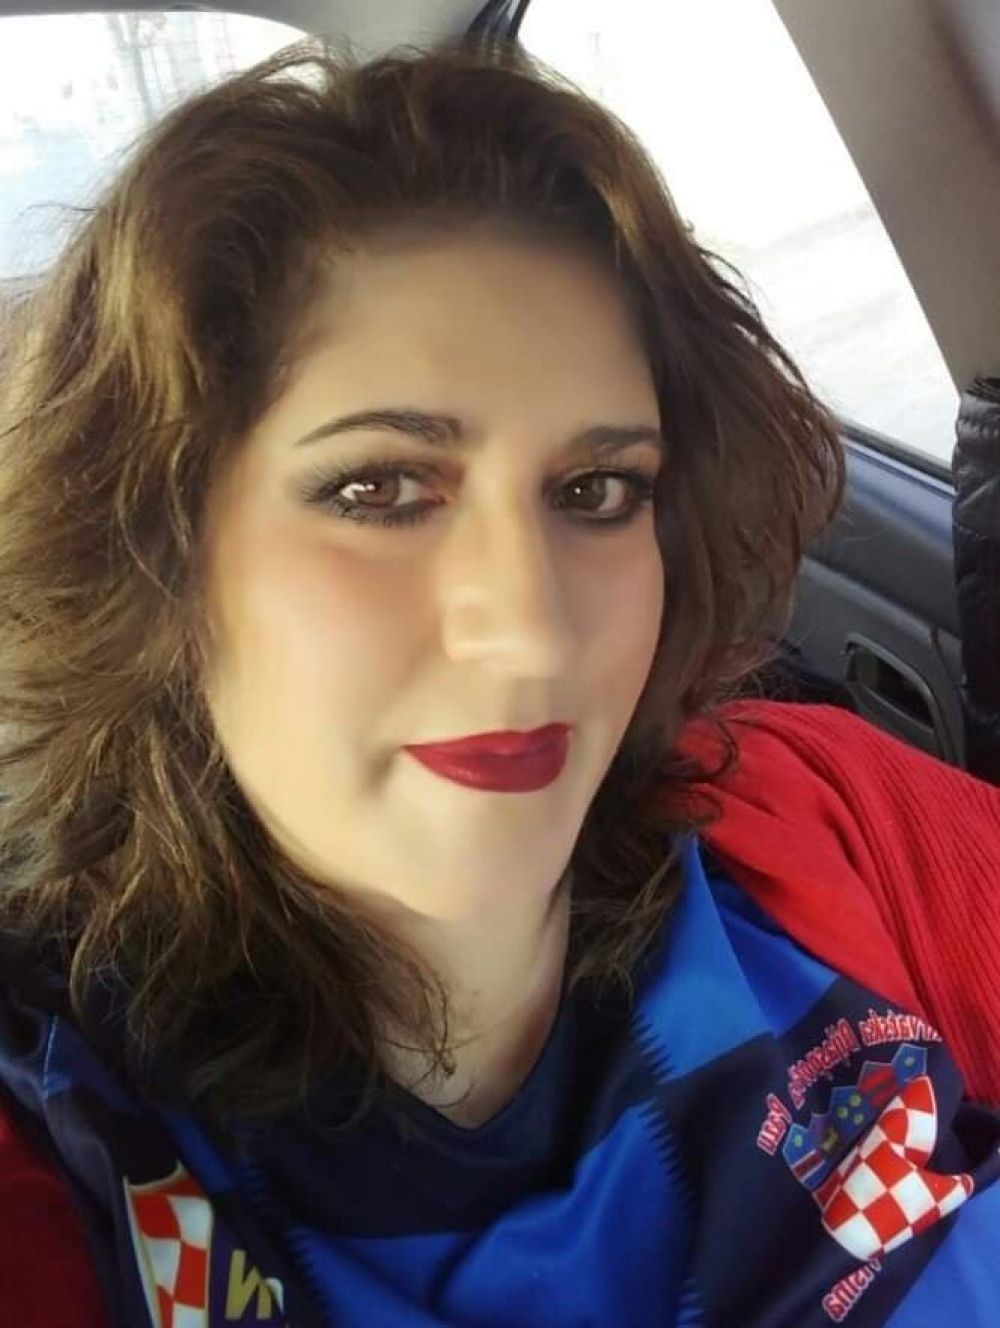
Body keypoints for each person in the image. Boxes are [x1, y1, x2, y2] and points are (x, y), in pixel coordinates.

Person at [0, 37, 997, 1328]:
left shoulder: (814, 816)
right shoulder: (66, 1138)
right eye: (380, 489)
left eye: (597, 490)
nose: (531, 631)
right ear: (164, 562)